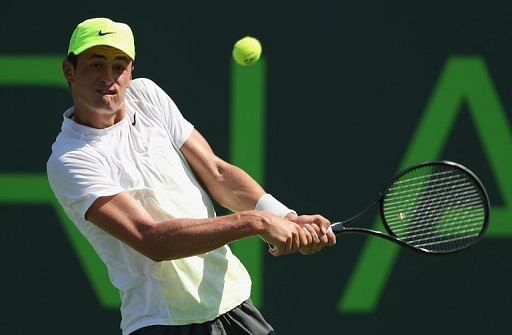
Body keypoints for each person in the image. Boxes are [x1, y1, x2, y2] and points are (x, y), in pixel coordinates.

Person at [47, 17, 336, 335]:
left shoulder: (147, 96)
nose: (109, 78)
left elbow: (216, 171)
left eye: (119, 66)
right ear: (69, 71)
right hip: (164, 323)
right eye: (96, 65)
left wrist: (286, 217)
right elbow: (151, 239)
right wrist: (257, 222)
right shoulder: (70, 159)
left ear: (131, 72)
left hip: (234, 304)